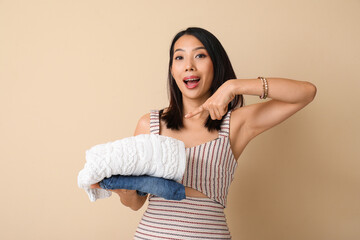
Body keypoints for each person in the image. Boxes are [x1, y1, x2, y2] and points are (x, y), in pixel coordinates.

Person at [91, 27, 317, 239]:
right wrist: (122, 190)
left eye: (200, 56)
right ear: (172, 69)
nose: (189, 65)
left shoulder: (235, 124)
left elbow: (306, 93)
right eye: (179, 57)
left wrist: (232, 86)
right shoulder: (150, 124)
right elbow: (136, 203)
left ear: (215, 65)